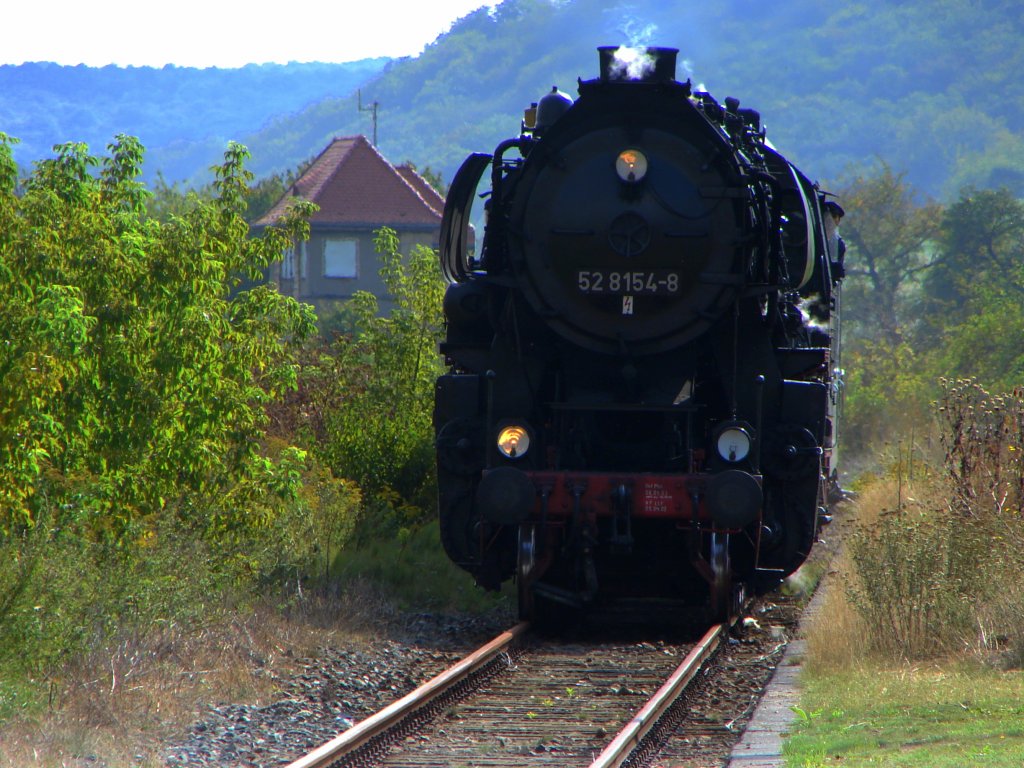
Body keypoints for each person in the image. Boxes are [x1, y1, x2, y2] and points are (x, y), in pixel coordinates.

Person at [822, 200, 846, 280]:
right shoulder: (813, 237)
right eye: (827, 216)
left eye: (834, 216)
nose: (830, 220)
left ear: (838, 220)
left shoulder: (839, 244)